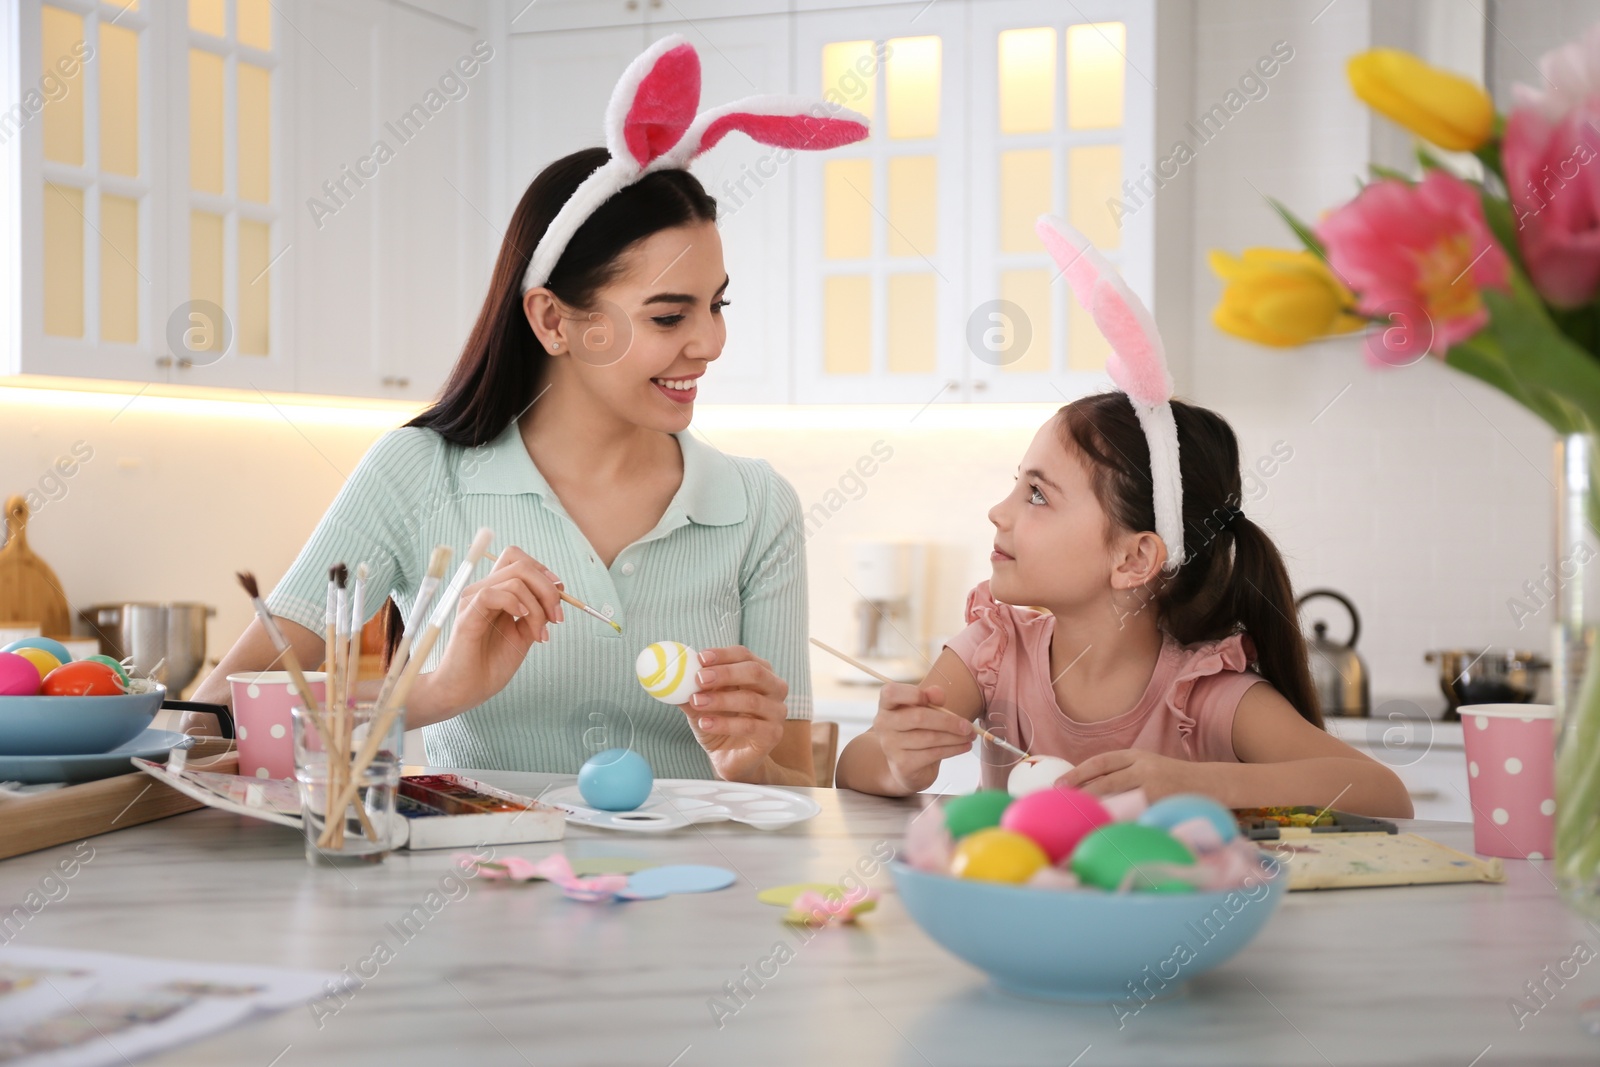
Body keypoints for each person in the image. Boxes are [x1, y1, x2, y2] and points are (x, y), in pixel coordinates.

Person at [190, 37, 870, 785]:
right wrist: (433, 689)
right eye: (670, 317)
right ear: (552, 320)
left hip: (689, 899)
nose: (709, 342)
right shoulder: (419, 474)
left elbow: (796, 794)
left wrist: (752, 767)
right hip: (476, 893)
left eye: (717, 305)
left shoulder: (756, 507)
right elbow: (212, 716)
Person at [837, 214, 1411, 817]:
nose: (997, 512)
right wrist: (896, 759)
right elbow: (855, 769)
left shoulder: (1202, 695)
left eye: (1037, 495)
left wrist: (1206, 784)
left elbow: (1385, 797)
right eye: (1017, 486)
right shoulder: (993, 653)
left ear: (1134, 557)